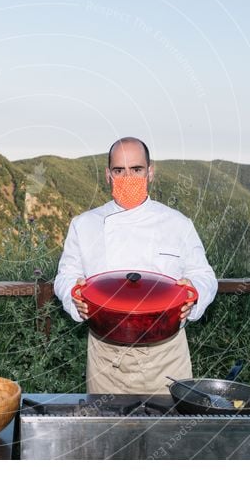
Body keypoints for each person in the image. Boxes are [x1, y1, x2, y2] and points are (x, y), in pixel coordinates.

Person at [54, 137, 217, 394]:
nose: (127, 177)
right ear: (108, 175)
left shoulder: (177, 223)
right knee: (108, 432)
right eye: (119, 170)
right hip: (107, 358)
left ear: (150, 172)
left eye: (136, 170)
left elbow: (204, 274)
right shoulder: (84, 224)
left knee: (169, 431)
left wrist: (193, 293)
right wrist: (74, 294)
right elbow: (66, 276)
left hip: (167, 355)